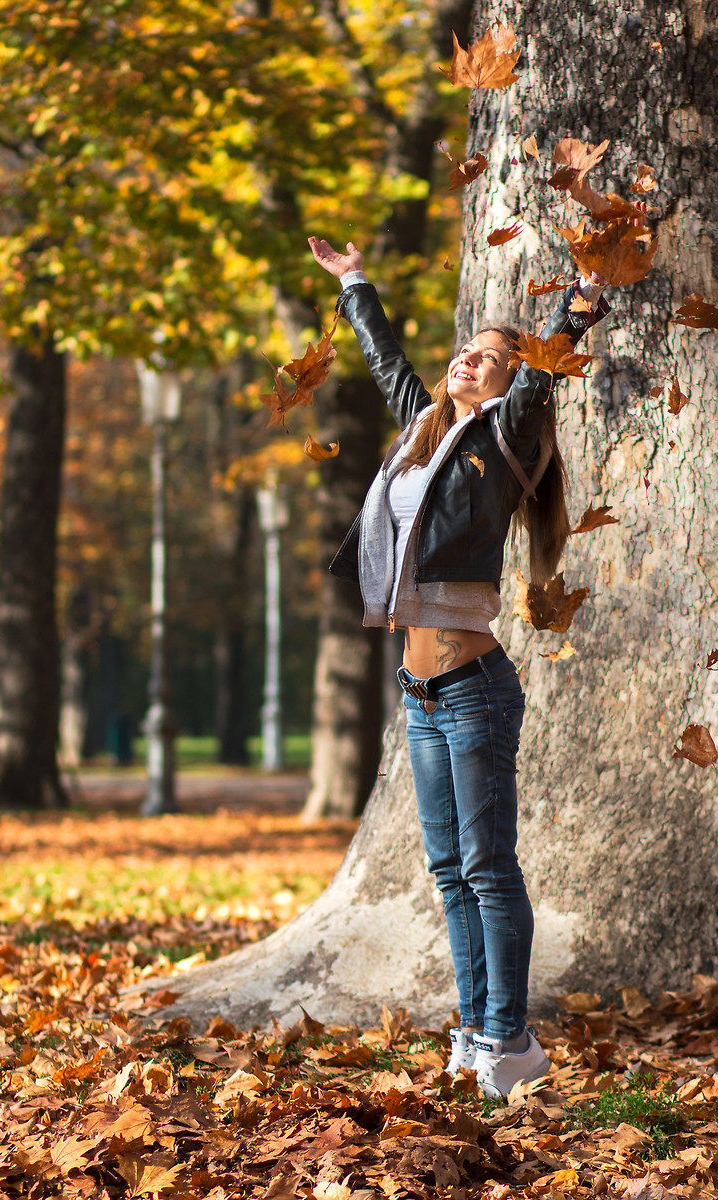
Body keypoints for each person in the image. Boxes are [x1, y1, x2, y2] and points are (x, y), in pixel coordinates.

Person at [308, 234, 611, 1098]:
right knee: (448, 869)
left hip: (475, 689)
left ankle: (512, 1038)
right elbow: (387, 358)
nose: (469, 362)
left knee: (486, 866)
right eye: (466, 351)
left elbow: (547, 363)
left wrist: (584, 293)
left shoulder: (507, 441)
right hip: (420, 689)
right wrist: (356, 279)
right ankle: (478, 1030)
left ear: (512, 382)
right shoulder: (422, 429)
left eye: (489, 359)